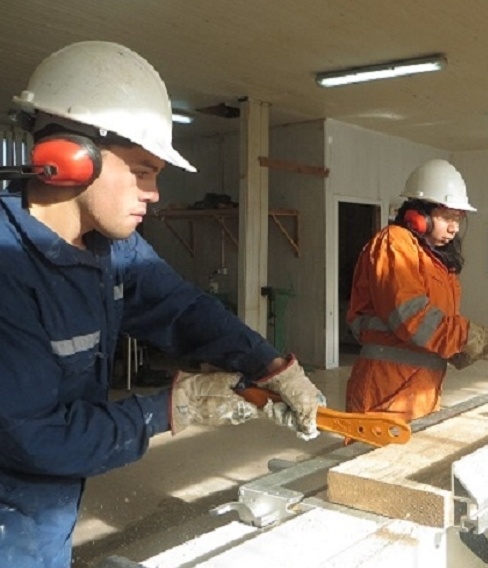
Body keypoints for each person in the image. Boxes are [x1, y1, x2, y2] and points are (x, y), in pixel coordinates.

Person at [0, 41, 323, 568]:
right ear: (70, 160)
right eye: (143, 171)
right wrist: (173, 408)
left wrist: (268, 365)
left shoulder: (111, 247)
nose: (154, 194)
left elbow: (181, 309)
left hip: (45, 508)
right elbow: (34, 437)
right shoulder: (7, 263)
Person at [345, 159, 488, 422]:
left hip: (422, 393)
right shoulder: (395, 243)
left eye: (458, 219)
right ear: (419, 217)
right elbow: (413, 320)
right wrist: (478, 339)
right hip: (386, 394)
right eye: (447, 217)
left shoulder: (438, 264)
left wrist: (469, 349)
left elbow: (440, 329)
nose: (454, 227)